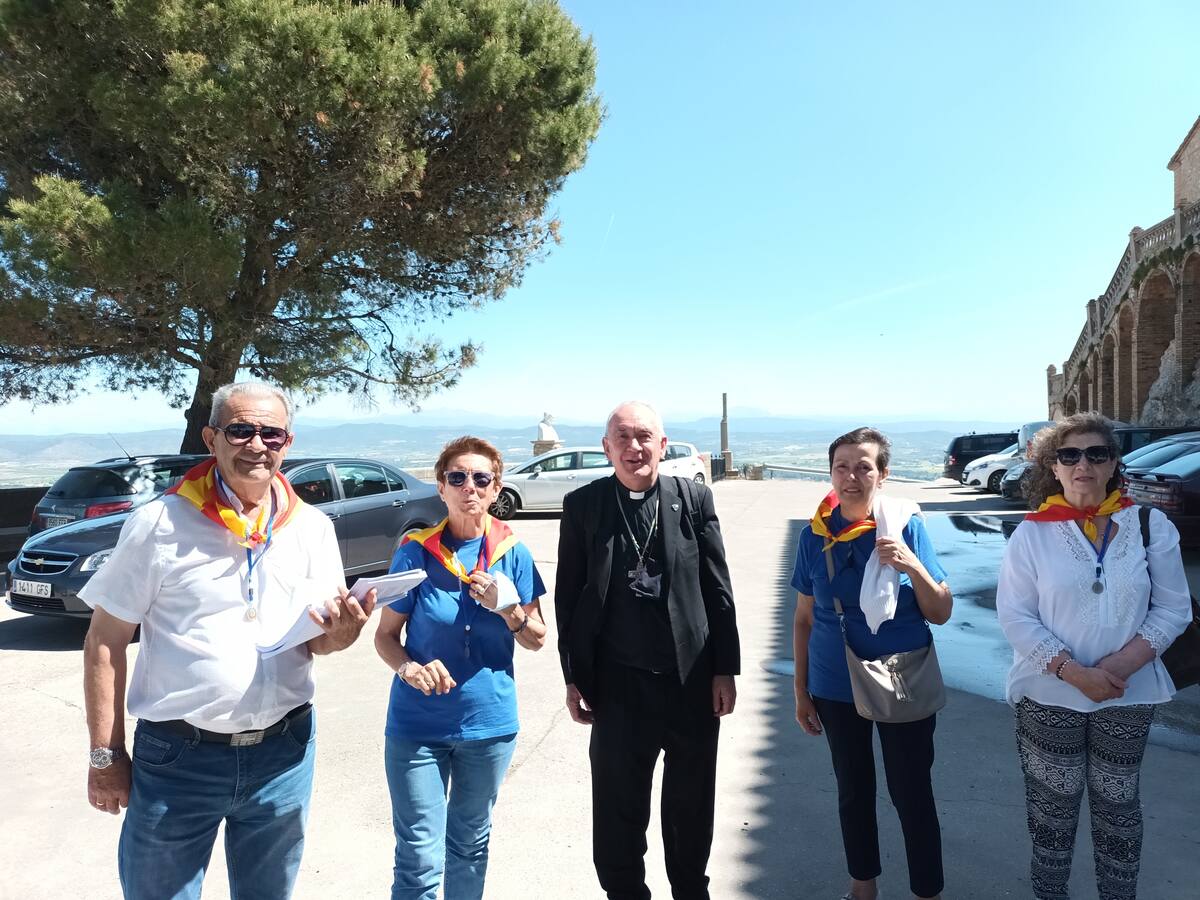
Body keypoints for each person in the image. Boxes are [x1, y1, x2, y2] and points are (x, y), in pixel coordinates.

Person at [81, 381, 376, 900]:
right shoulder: (159, 522)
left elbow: (317, 643)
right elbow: (105, 640)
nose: (257, 445)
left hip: (283, 756)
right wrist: (105, 756)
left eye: (272, 433)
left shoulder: (311, 528)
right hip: (178, 758)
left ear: (288, 442)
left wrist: (343, 635)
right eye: (241, 430)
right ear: (212, 438)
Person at [996, 413, 1192, 900]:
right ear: (1054, 468)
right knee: (1052, 812)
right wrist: (1073, 672)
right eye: (1070, 455)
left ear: (1112, 464)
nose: (1083, 463)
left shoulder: (1149, 524)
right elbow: (1016, 616)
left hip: (1128, 693)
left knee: (1119, 809)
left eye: (1095, 454)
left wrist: (1120, 666)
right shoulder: (1033, 533)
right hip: (1049, 693)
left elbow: (1174, 608)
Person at [555, 400, 740, 900]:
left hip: (691, 682)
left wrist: (726, 669)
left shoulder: (693, 499)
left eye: (644, 437)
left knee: (690, 809)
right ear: (607, 448)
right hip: (618, 686)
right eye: (623, 437)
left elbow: (717, 589)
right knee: (617, 814)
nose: (634, 447)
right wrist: (573, 677)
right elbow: (568, 600)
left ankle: (689, 892)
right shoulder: (583, 506)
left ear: (662, 444)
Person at [375, 436, 547, 900]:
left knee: (470, 845)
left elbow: (536, 638)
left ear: (496, 489)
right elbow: (386, 638)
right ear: (441, 487)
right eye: (457, 477)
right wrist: (408, 668)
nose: (469, 486)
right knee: (417, 853)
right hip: (417, 726)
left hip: (488, 727)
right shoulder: (415, 552)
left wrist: (508, 609)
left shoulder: (514, 553)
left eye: (480, 479)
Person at [791, 427, 952, 900]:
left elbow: (940, 612)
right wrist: (801, 690)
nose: (851, 476)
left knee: (911, 791)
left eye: (863, 466)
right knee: (853, 790)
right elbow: (803, 618)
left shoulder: (907, 529)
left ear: (882, 474)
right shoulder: (814, 536)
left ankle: (928, 891)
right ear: (831, 474)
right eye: (842, 466)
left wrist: (911, 565)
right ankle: (863, 885)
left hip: (904, 679)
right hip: (835, 682)